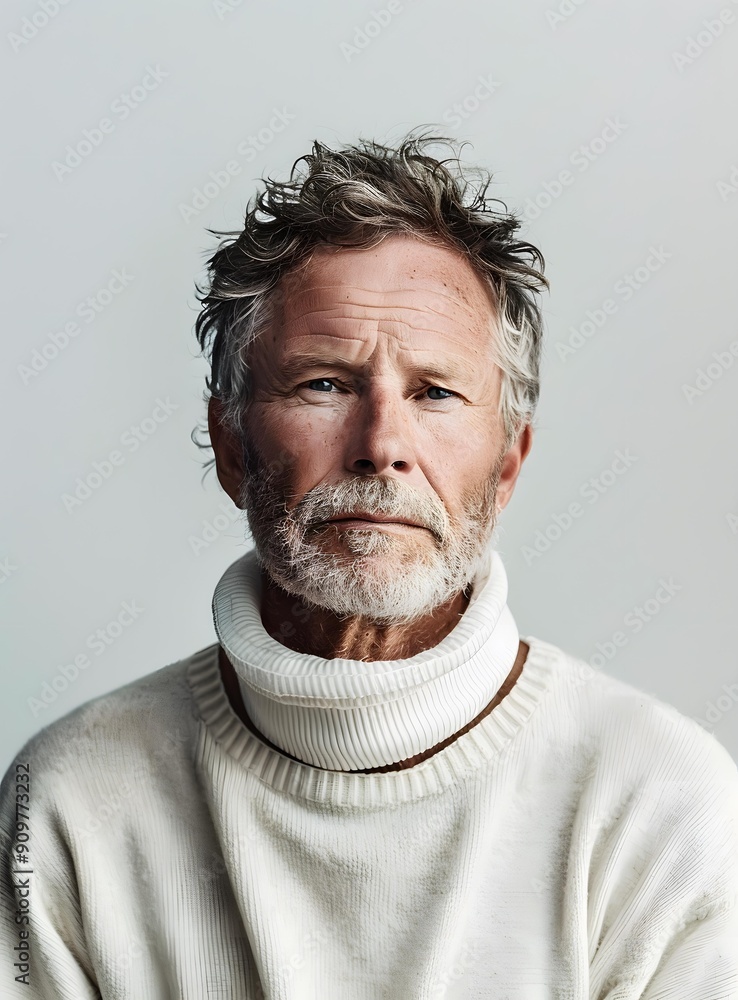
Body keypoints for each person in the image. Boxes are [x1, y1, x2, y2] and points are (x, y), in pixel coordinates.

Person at [2, 133, 737, 999]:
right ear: (231, 443)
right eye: (325, 384)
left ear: (507, 466)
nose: (382, 446)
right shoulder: (69, 799)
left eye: (435, 392)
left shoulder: (658, 800)